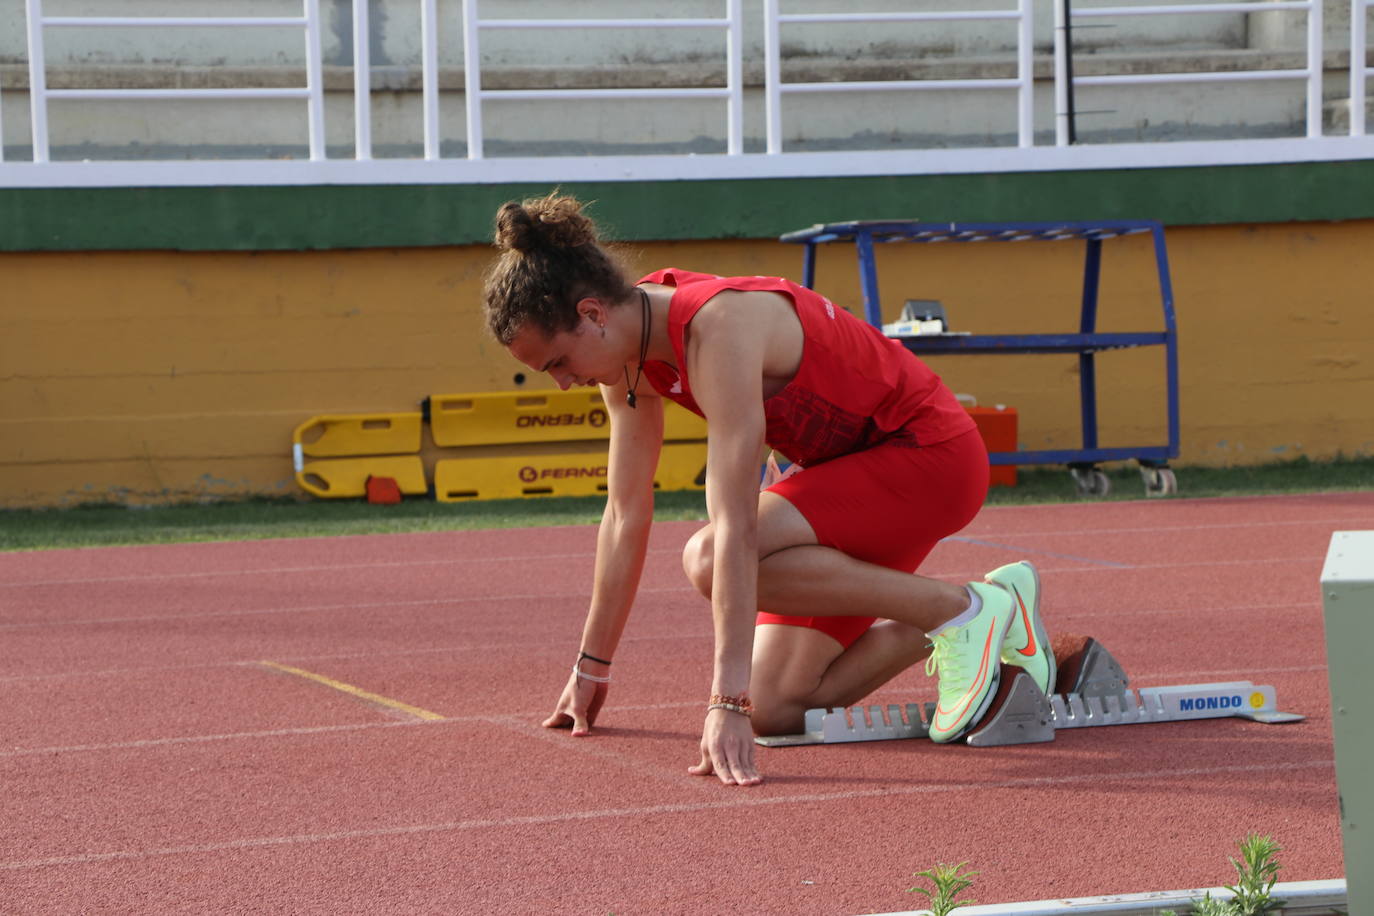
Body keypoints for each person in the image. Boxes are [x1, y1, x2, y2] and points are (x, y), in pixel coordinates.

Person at [481, 192, 1055, 787]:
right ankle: (991, 603)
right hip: (846, 485)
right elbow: (625, 513)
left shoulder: (718, 328)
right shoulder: (626, 359)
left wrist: (724, 703)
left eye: (558, 362)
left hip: (931, 459)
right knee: (778, 706)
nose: (564, 382)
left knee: (707, 557)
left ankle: (961, 615)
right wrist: (592, 667)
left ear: (593, 313)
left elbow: (736, 525)